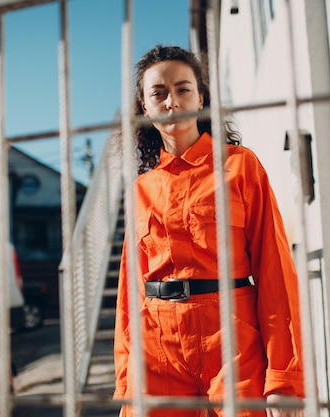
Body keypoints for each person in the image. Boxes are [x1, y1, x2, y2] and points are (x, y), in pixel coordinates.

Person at [113, 44, 306, 417]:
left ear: (201, 98)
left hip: (232, 339)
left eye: (183, 89)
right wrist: (125, 382)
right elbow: (128, 295)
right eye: (159, 93)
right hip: (156, 348)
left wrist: (283, 379)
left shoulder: (240, 167)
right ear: (145, 108)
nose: (172, 101)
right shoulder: (140, 190)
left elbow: (276, 273)